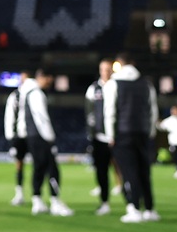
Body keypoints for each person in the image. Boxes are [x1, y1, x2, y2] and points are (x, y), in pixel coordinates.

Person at [103, 51, 159, 223]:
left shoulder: (114, 83)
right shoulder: (146, 84)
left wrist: (110, 135)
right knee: (144, 171)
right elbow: (153, 111)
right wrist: (150, 132)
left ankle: (134, 208)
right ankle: (149, 209)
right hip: (142, 132)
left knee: (128, 171)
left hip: (123, 133)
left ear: (119, 63)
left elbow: (110, 112)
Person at [24, 68, 75, 216]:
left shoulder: (29, 92)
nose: (49, 83)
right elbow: (42, 118)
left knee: (38, 168)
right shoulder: (37, 93)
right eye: (48, 79)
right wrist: (50, 138)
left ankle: (37, 201)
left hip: (32, 136)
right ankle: (55, 201)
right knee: (53, 169)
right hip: (41, 137)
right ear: (42, 77)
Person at [84, 57, 122, 215]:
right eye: (103, 70)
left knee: (123, 168)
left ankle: (131, 204)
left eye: (108, 69)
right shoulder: (93, 89)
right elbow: (89, 113)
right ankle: (104, 202)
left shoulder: (119, 86)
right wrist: (91, 134)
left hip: (118, 137)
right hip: (99, 138)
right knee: (101, 171)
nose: (105, 72)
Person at [3, 71, 30, 205]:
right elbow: (9, 117)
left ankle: (38, 196)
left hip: (33, 135)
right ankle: (19, 194)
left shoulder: (35, 93)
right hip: (19, 136)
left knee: (40, 165)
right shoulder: (15, 96)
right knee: (19, 165)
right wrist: (11, 138)